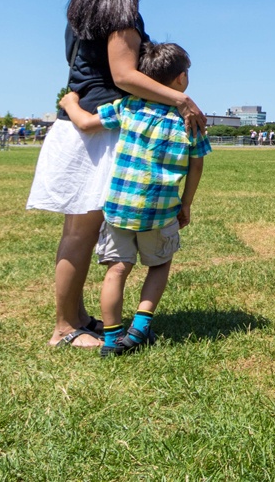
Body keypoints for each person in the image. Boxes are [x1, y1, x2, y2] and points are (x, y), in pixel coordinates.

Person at [26, 0, 205, 349]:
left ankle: (77, 317)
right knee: (81, 234)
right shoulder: (122, 15)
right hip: (100, 131)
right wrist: (182, 98)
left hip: (80, 123)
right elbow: (124, 75)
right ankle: (64, 328)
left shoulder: (81, 12)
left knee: (79, 232)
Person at [60, 42, 210, 356]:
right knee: (160, 264)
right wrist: (186, 203)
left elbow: (86, 123)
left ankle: (113, 339)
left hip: (119, 208)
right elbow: (197, 165)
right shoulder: (190, 121)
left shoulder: (129, 107)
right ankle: (140, 326)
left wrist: (70, 101)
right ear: (181, 79)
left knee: (117, 269)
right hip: (161, 209)